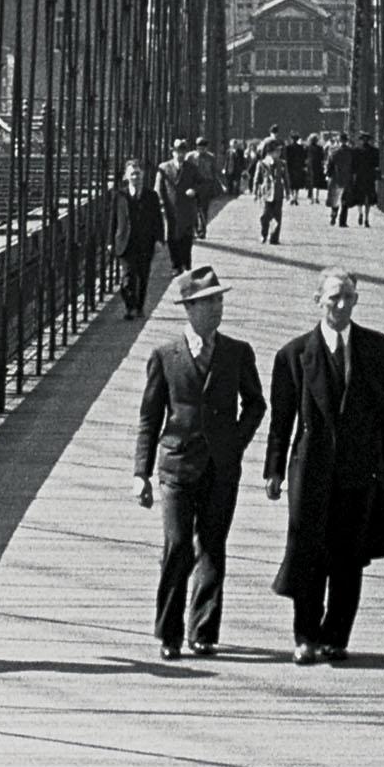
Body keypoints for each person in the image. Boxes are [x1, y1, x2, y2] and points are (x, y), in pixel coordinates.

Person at [263, 264, 384, 664]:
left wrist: (372, 427)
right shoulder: (295, 355)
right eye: (334, 297)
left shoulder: (377, 348)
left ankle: (336, 636)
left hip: (358, 470)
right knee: (307, 553)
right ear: (318, 301)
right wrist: (275, 470)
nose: (342, 305)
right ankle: (305, 636)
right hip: (310, 469)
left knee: (349, 557)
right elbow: (281, 419)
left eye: (348, 297)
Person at [134, 262, 265, 659]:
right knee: (177, 546)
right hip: (175, 465)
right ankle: (169, 632)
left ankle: (203, 631)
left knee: (212, 546)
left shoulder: (237, 353)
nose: (217, 308)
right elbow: (149, 416)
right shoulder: (165, 356)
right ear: (188, 308)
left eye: (220, 301)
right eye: (208, 302)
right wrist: (140, 472)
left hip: (221, 466)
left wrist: (235, 443)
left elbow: (257, 404)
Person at [115, 156, 166, 315]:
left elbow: (158, 219)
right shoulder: (120, 196)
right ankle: (130, 306)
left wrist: (159, 239)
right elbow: (113, 219)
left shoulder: (151, 196)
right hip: (126, 241)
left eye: (138, 173)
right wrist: (111, 240)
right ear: (126, 176)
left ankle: (139, 307)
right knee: (127, 276)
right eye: (132, 174)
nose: (135, 177)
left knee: (143, 275)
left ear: (142, 175)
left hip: (145, 241)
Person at [158, 142, 203, 276]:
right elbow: (159, 188)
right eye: (178, 152)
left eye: (183, 152)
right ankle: (175, 265)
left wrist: (194, 190)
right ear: (173, 153)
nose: (180, 155)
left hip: (187, 209)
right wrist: (161, 204)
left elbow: (201, 184)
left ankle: (186, 264)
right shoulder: (164, 168)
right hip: (170, 209)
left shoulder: (192, 168)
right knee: (172, 237)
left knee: (186, 237)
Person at [256, 138, 287, 245]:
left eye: (280, 152)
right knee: (264, 216)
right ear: (270, 152)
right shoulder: (262, 164)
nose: (279, 154)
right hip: (266, 193)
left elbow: (286, 178)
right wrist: (256, 193)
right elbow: (257, 179)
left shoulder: (282, 164)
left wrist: (288, 192)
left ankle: (274, 238)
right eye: (277, 151)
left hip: (278, 193)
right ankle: (264, 234)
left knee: (277, 216)